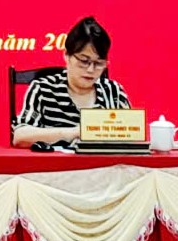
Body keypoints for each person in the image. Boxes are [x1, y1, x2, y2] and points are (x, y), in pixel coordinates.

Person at [12, 16, 130, 148]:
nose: (90, 70)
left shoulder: (113, 92)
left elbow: (132, 136)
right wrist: (76, 132)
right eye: (84, 61)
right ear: (67, 55)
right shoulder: (43, 89)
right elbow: (20, 136)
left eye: (99, 63)